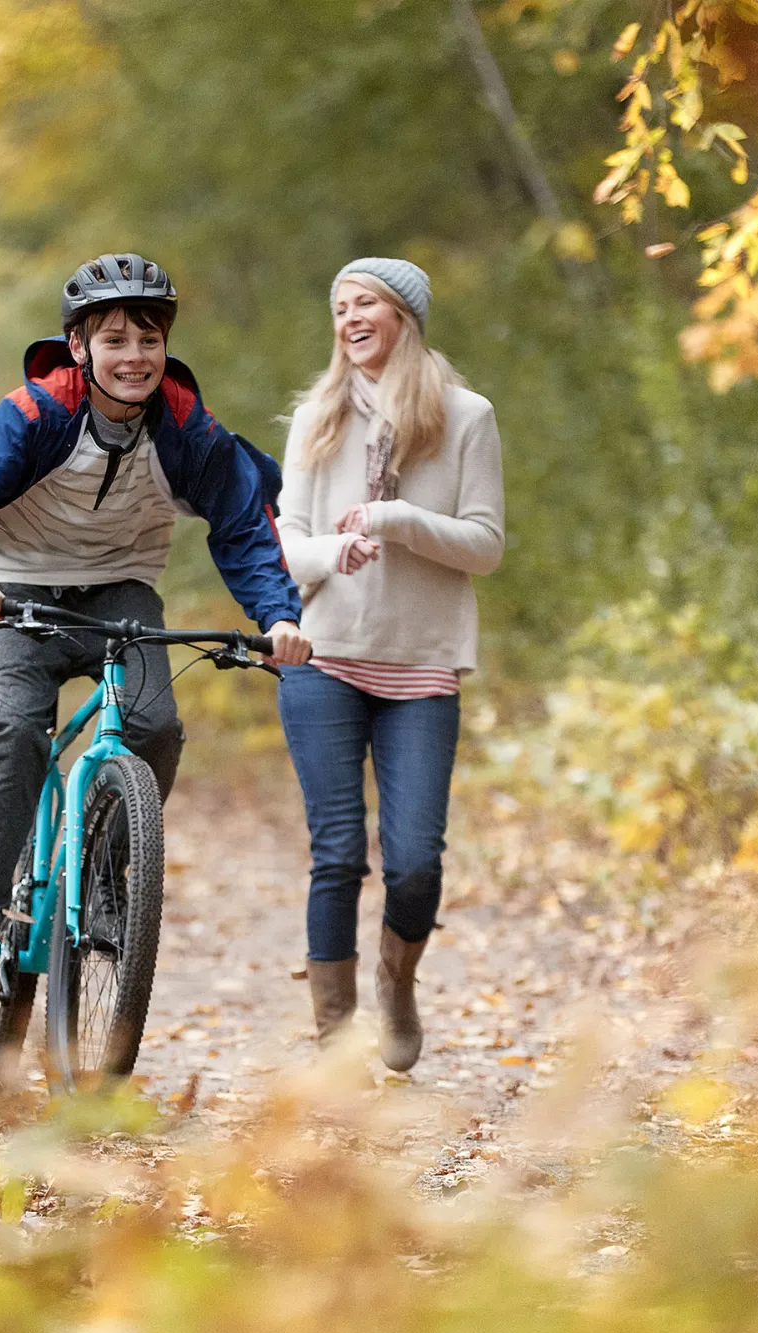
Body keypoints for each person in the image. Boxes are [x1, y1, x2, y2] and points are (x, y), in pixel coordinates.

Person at [0, 253, 311, 997]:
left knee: (156, 726)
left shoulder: (185, 427)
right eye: (114, 341)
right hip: (21, 592)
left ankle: (106, 870)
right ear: (79, 347)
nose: (134, 357)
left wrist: (279, 616)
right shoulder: (39, 412)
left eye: (148, 339)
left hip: (121, 594)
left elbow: (242, 526)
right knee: (19, 732)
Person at [274, 257, 503, 1071]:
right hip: (325, 656)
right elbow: (289, 544)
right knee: (337, 851)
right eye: (338, 306)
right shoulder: (317, 417)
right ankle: (335, 1036)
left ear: (404, 314)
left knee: (414, 860)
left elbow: (485, 546)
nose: (347, 318)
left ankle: (397, 980)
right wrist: (339, 548)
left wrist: (401, 520)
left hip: (422, 667)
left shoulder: (466, 417)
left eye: (363, 302)